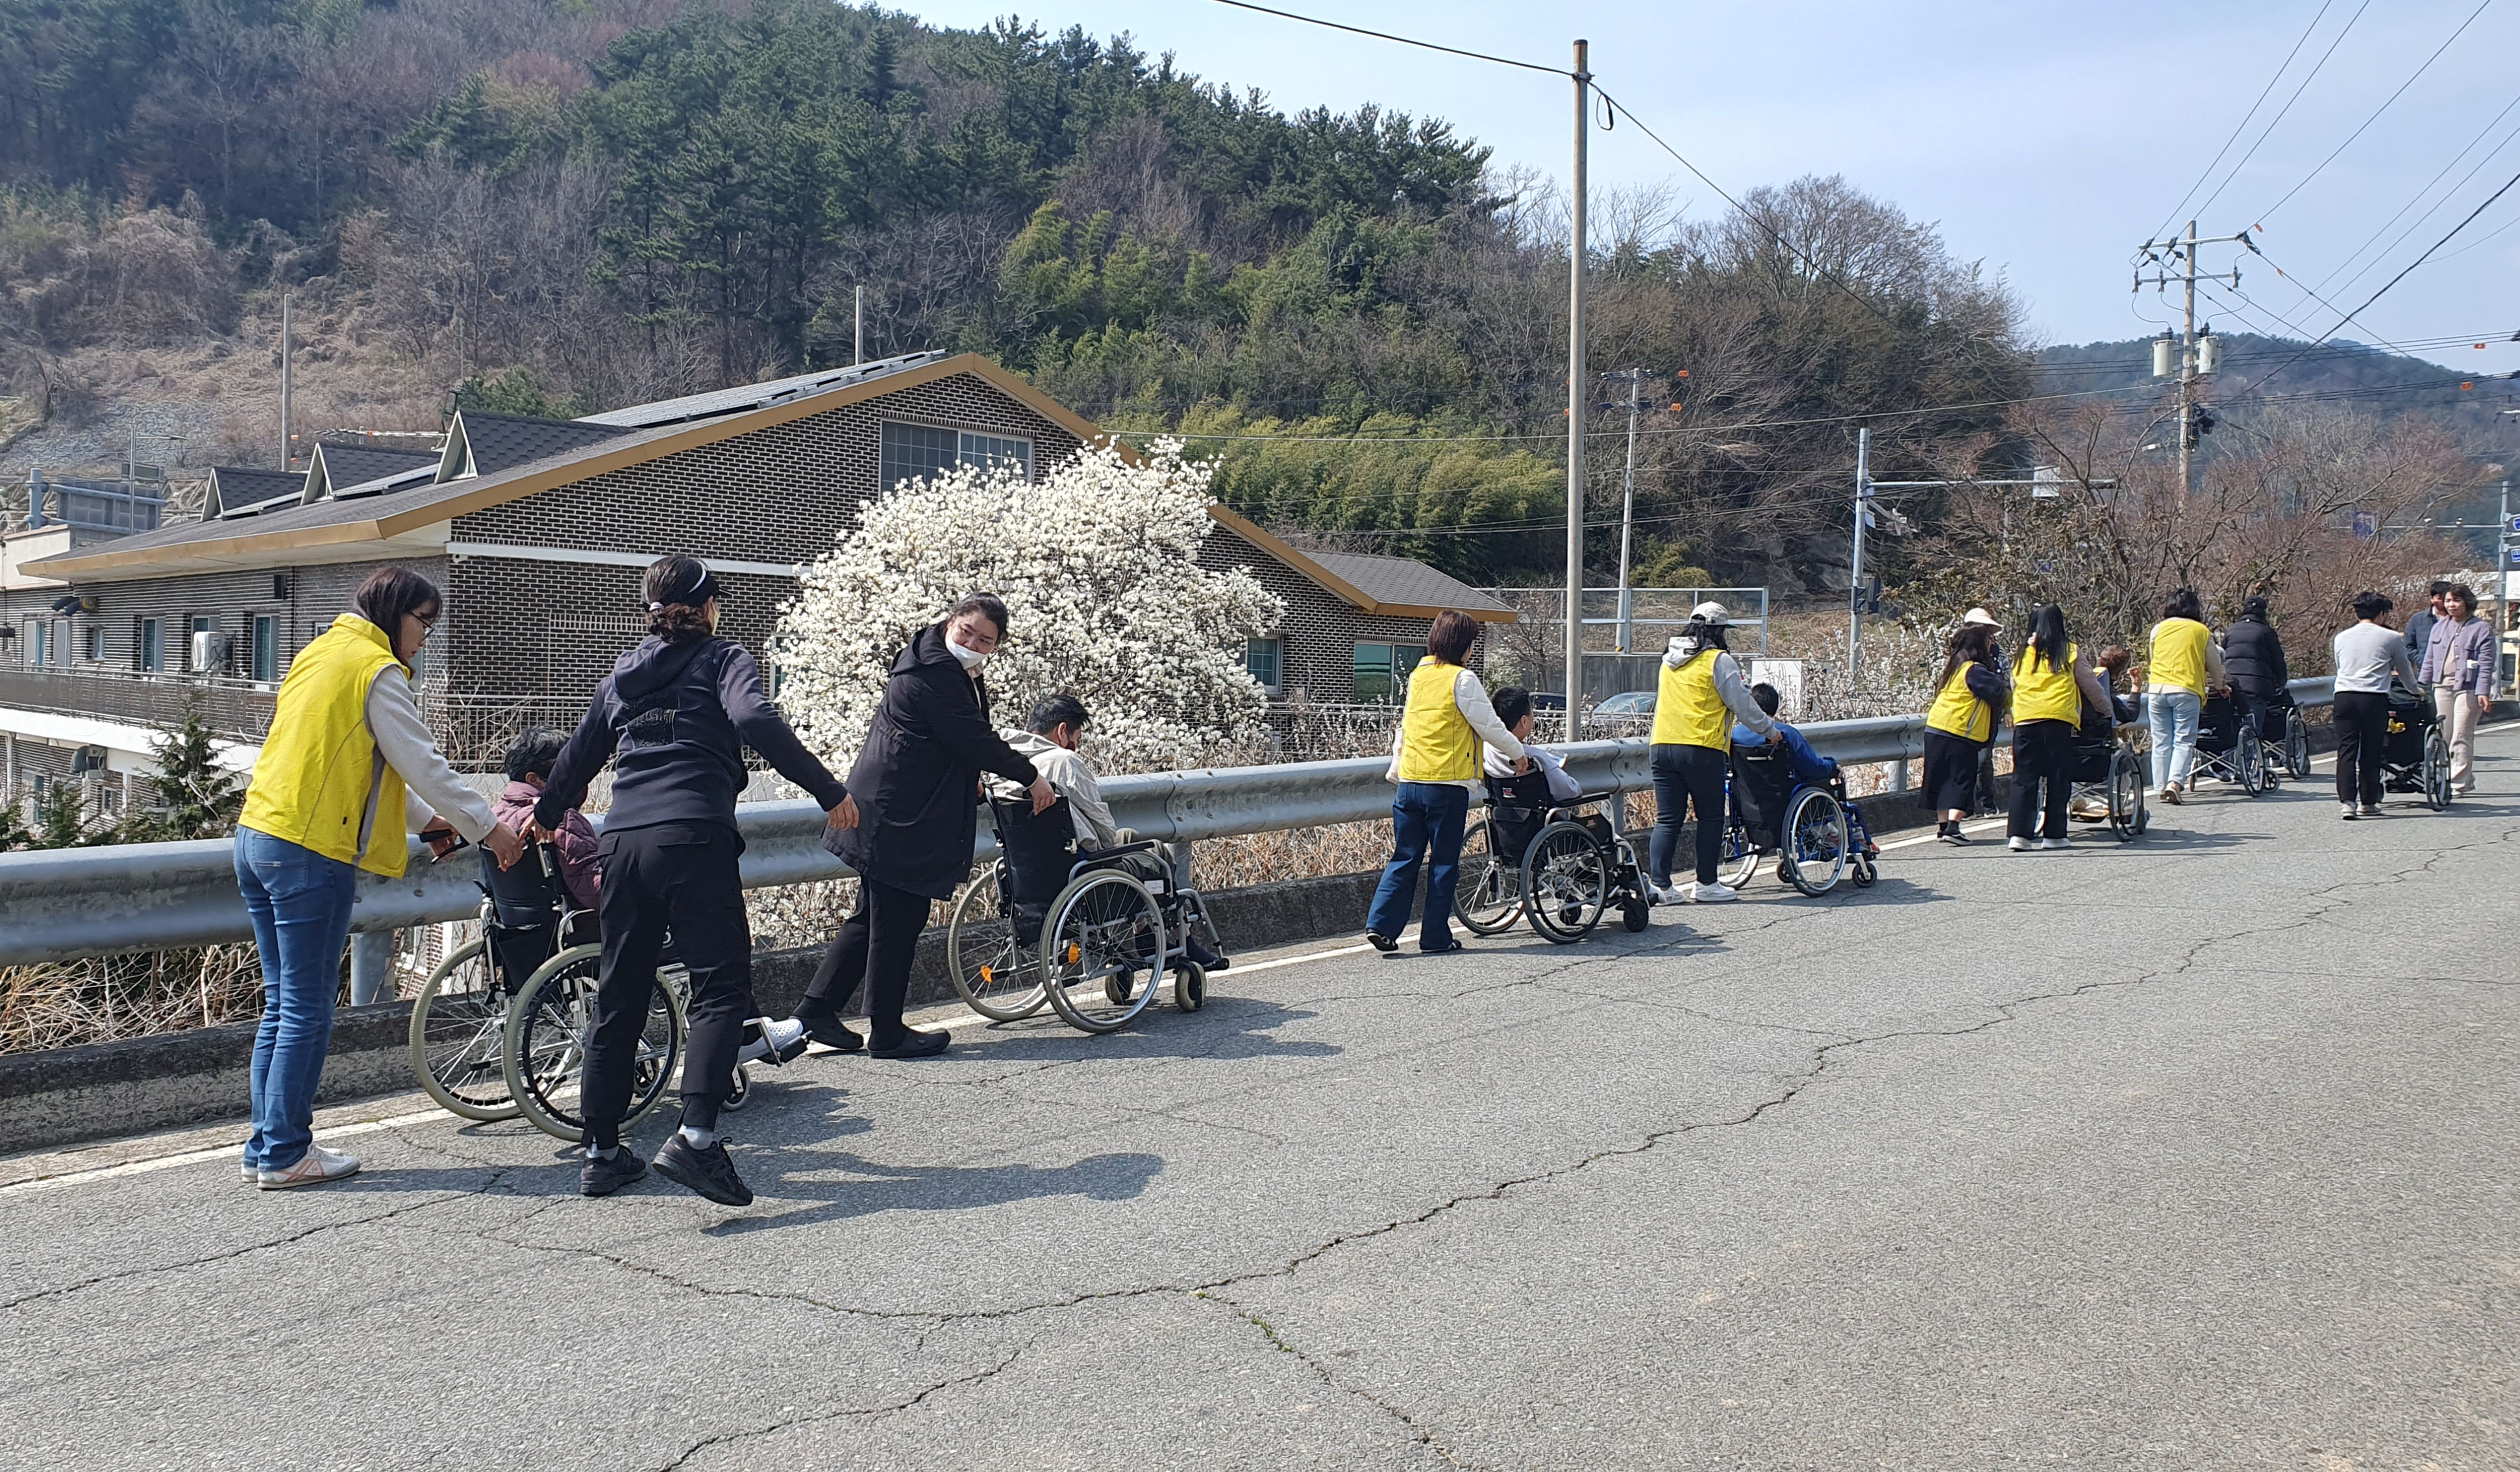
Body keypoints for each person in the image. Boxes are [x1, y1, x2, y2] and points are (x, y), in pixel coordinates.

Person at [536, 555, 855, 1207]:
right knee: (718, 988)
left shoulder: (620, 676)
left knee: (620, 990)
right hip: (694, 836)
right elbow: (758, 721)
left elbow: (577, 756)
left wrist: (544, 815)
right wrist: (829, 790)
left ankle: (602, 1152)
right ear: (710, 607)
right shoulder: (723, 658)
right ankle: (698, 1139)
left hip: (621, 843)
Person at [233, 566, 525, 1190]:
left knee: (281, 1003)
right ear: (395, 613)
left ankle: (266, 1147)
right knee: (307, 1009)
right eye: (424, 623)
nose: (426, 638)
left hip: (257, 837)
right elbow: (423, 762)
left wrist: (436, 824)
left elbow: (372, 769)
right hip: (310, 851)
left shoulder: (321, 653)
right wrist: (489, 829)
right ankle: (286, 1155)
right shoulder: (377, 670)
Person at [793, 595, 1054, 1051]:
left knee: (872, 917)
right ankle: (887, 1032)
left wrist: (966, 779)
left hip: (892, 808)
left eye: (985, 640)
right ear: (951, 621)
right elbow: (972, 738)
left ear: (996, 646)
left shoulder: (936, 661)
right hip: (898, 815)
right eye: (968, 631)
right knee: (898, 921)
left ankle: (816, 1011)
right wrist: (1031, 776)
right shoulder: (934, 674)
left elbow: (942, 740)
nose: (973, 643)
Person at [990, 692, 1224, 968]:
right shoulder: (1064, 760)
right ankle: (1178, 937)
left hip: (1031, 877)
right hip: (1080, 874)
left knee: (1129, 837)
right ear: (1063, 731)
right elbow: (1101, 826)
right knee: (1155, 851)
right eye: (1076, 740)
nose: (1076, 748)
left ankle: (1145, 932)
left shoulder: (1003, 765)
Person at [1366, 609, 1525, 955]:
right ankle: (1435, 937)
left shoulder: (1418, 676)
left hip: (1409, 783)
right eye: (1471, 643)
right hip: (1446, 786)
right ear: (1463, 645)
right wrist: (1518, 753)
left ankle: (1381, 925)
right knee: (1443, 862)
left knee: (1405, 856)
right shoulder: (1462, 679)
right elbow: (1490, 726)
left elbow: (1407, 727)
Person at [1646, 602, 1780, 903]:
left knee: (1668, 819)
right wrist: (1770, 731)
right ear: (1718, 631)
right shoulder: (1718, 660)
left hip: (1662, 746)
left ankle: (1661, 886)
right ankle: (1706, 883)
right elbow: (1743, 705)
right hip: (1701, 747)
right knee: (1710, 817)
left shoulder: (1668, 661)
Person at [2006, 604, 2112, 852]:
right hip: (2058, 721)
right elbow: (2091, 686)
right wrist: (2106, 710)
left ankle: (2019, 835)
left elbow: (2014, 685)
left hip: (2026, 720)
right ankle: (2054, 836)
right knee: (2058, 777)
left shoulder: (2021, 654)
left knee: (2024, 779)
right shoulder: (2069, 651)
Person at [2331, 589, 2423, 820]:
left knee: (2346, 751)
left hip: (2343, 696)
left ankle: (2347, 803)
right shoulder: (2391, 638)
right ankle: (2368, 802)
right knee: (2371, 751)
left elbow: (2341, 667)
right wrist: (2416, 692)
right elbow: (2404, 672)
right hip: (2373, 698)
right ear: (2382, 614)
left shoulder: (2341, 637)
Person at [493, 728, 600, 914]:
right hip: (574, 931)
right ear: (534, 779)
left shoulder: (495, 818)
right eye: (564, 772)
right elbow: (595, 890)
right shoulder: (560, 819)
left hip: (517, 935)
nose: (573, 780)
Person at [1923, 621, 2005, 844]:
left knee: (1940, 779)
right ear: (1979, 644)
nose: (1992, 644)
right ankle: (1953, 827)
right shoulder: (1975, 670)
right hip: (1959, 731)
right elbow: (1998, 691)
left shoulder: (1955, 666)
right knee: (1961, 779)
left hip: (1935, 727)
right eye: (1989, 641)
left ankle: (1942, 828)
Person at [2145, 587, 2229, 805]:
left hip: (2157, 689)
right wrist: (2221, 686)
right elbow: (2215, 664)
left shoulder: (2158, 629)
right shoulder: (2201, 631)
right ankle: (2175, 783)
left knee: (2161, 741)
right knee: (2184, 740)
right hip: (2186, 688)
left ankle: (2160, 787)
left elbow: (2152, 658)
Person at [2419, 582, 2493, 795]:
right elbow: (2429, 659)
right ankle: (2457, 776)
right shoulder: (2440, 627)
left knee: (2461, 735)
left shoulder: (2481, 628)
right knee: (2444, 735)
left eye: (2456, 600)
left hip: (2468, 687)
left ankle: (2458, 783)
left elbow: (2486, 663)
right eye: (2448, 600)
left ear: (2467, 602)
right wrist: (2421, 686)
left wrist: (2483, 691)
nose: (2451, 605)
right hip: (2442, 686)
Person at [2220, 598, 2290, 741]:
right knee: (2253, 728)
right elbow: (2278, 661)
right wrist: (2281, 682)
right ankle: (2252, 755)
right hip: (2256, 687)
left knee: (2232, 726)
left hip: (2231, 685)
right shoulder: (2266, 632)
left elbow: (2222, 655)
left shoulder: (2231, 630)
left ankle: (2236, 756)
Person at [2403, 582, 2451, 668]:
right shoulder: (2418, 619)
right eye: (2439, 598)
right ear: (2432, 599)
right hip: (2425, 671)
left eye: (2447, 598)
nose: (2443, 602)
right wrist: (2420, 660)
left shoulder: (2458, 619)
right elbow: (2408, 645)